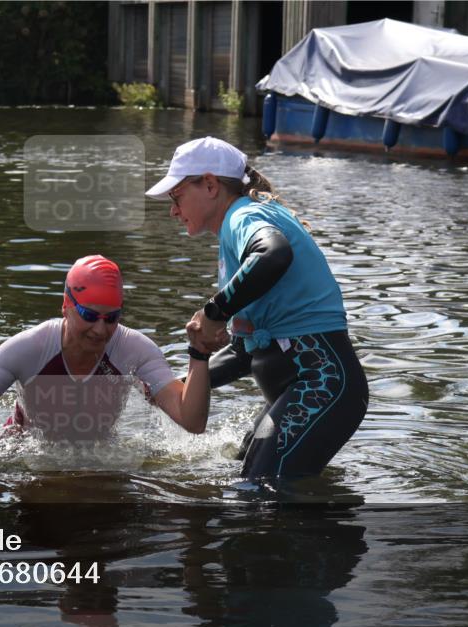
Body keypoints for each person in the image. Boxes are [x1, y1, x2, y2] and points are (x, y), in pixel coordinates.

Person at [146, 136, 368, 479]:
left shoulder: (243, 215)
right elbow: (245, 353)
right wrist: (173, 387)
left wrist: (214, 312)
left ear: (209, 185)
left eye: (176, 197)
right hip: (308, 386)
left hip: (323, 383)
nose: (173, 210)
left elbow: (274, 253)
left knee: (259, 495)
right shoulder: (237, 230)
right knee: (242, 471)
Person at [0, 255, 225, 439]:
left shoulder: (135, 349)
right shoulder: (28, 348)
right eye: (89, 315)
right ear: (66, 306)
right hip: (25, 452)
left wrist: (199, 354)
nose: (100, 330)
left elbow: (192, 421)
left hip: (99, 457)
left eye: (111, 318)